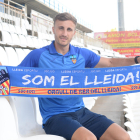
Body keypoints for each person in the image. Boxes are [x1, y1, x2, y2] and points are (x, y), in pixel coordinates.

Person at [1, 12, 137, 140]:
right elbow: (14, 75)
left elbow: (110, 62)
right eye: (61, 28)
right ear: (54, 29)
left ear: (74, 33)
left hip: (81, 112)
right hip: (55, 117)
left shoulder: (81, 54)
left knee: (123, 137)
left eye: (69, 29)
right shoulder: (38, 55)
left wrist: (136, 60)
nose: (64, 33)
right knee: (89, 138)